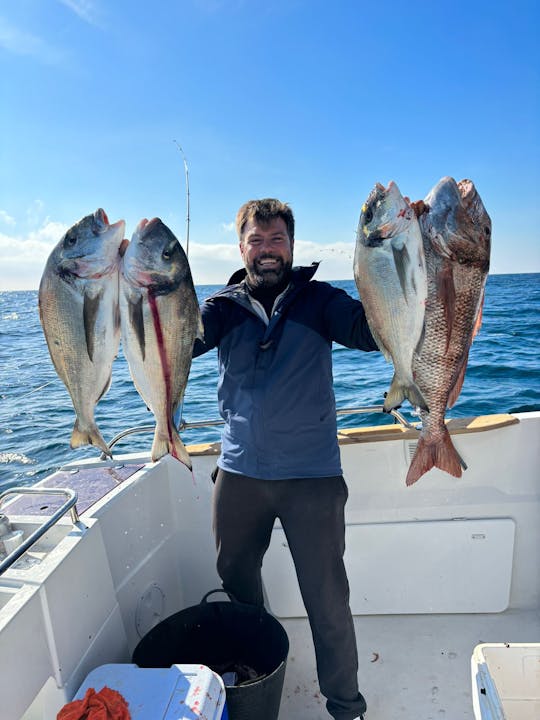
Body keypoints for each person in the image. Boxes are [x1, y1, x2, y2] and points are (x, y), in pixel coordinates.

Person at [193, 198, 378, 720]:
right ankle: (263, 656)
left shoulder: (320, 301)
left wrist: (407, 280)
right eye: (257, 240)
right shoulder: (222, 308)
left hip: (311, 478)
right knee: (233, 573)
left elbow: (368, 332)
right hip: (240, 473)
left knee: (327, 600)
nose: (267, 251)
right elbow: (180, 345)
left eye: (277, 240)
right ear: (241, 248)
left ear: (292, 246)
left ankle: (346, 706)